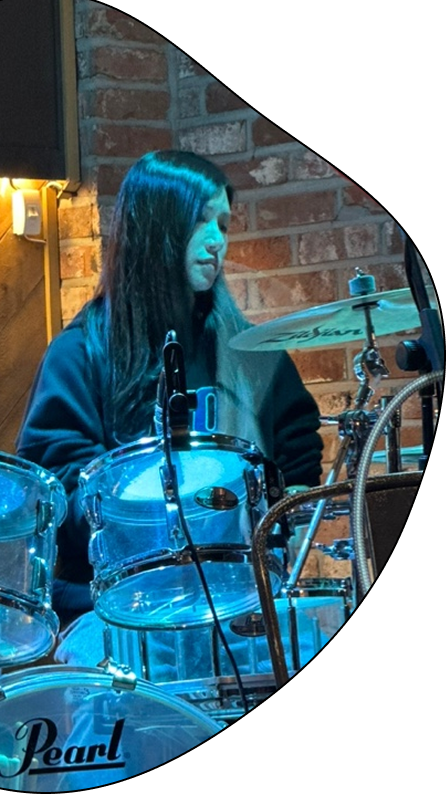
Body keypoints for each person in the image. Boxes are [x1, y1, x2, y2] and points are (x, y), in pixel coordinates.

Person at [16, 150, 324, 633]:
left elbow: (297, 455)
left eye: (223, 225)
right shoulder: (79, 354)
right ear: (157, 228)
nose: (217, 241)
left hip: (238, 601)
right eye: (201, 221)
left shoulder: (251, 354)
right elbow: (56, 493)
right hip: (113, 610)